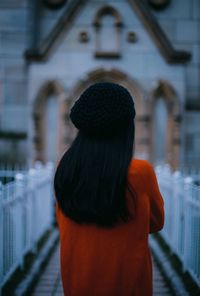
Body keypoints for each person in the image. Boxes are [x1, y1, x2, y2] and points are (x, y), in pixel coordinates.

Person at [54, 82, 164, 296]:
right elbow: (156, 223)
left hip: (78, 283)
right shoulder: (141, 173)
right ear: (127, 128)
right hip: (129, 285)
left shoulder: (66, 167)